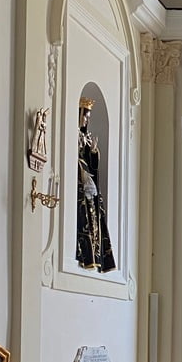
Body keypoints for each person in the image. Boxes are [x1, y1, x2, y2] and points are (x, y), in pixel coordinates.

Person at [76, 96, 116, 273]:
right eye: (85, 116)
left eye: (88, 117)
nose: (86, 120)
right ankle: (85, 253)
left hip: (88, 183)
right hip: (80, 181)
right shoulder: (73, 136)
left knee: (94, 217)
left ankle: (95, 255)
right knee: (84, 216)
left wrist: (92, 151)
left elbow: (91, 164)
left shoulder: (85, 137)